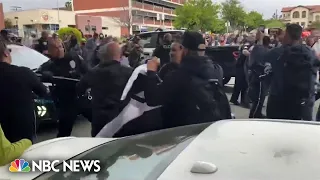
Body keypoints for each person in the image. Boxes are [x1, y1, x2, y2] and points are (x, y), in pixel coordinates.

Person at [145, 32, 230, 129]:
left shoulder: (178, 76)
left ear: (184, 50)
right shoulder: (217, 69)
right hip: (209, 131)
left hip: (182, 134)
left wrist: (151, 72)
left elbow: (152, 99)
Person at [77, 42, 133, 137]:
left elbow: (79, 89)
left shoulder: (93, 72)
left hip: (99, 119)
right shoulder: (128, 72)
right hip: (121, 119)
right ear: (119, 55)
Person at [266, 24, 319, 120]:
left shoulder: (277, 52)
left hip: (278, 99)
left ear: (287, 35)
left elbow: (264, 66)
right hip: (302, 101)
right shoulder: (310, 53)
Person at [37, 38, 87, 137]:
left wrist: (83, 79)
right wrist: (45, 75)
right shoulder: (49, 65)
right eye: (55, 48)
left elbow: (87, 70)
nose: (59, 49)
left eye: (60, 46)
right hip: (66, 101)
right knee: (64, 131)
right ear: (50, 51)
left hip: (81, 96)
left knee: (98, 122)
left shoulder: (74, 57)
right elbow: (38, 76)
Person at [0, 41, 47, 143]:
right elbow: (43, 91)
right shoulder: (24, 73)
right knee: (25, 157)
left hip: (2, 136)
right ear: (6, 53)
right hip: (23, 134)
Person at [247, 36, 271, 118]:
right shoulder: (265, 51)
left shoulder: (255, 49)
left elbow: (251, 62)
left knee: (257, 98)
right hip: (260, 76)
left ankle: (256, 113)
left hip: (254, 75)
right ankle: (255, 115)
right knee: (259, 99)